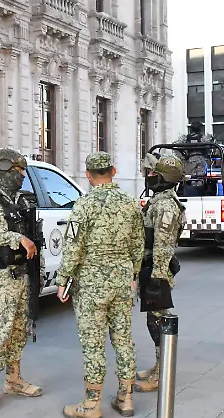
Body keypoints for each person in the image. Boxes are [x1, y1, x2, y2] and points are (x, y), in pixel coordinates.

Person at [56, 152, 144, 418]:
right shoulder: (130, 204)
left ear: (88, 175)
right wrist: (133, 273)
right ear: (114, 171)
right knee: (124, 340)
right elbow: (138, 246)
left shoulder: (83, 206)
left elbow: (73, 247)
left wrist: (63, 280)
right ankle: (126, 398)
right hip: (122, 280)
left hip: (92, 284)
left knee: (93, 344)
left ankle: (91, 405)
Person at [0, 148, 45, 411]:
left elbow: (36, 239)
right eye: (19, 171)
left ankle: (14, 378)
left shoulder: (24, 201)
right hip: (3, 276)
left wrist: (40, 270)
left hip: (25, 274)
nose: (23, 176)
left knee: (19, 330)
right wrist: (17, 239)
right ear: (3, 171)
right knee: (0, 331)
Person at [134, 153, 185, 394]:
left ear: (164, 179)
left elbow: (163, 244)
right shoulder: (160, 200)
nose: (150, 177)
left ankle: (161, 372)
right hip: (154, 265)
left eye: (154, 174)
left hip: (158, 269)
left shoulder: (165, 205)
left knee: (158, 321)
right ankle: (158, 366)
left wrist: (157, 276)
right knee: (155, 318)